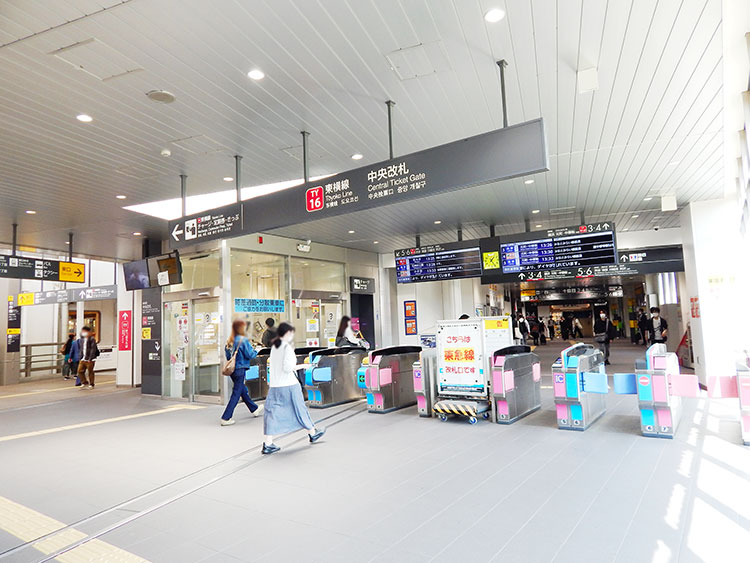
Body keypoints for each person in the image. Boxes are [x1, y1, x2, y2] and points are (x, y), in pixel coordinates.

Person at [262, 322, 325, 454]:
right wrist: (304, 366)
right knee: (299, 409)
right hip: (289, 385)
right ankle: (312, 433)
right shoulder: (286, 348)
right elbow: (288, 368)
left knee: (272, 413)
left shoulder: (275, 347)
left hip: (275, 386)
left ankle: (268, 443)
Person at [221, 319, 262, 426]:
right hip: (240, 369)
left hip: (233, 370)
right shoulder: (242, 340)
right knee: (237, 393)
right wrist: (256, 350)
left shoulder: (230, 340)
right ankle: (226, 417)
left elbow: (228, 356)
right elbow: (250, 355)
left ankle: (254, 409)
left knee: (242, 390)